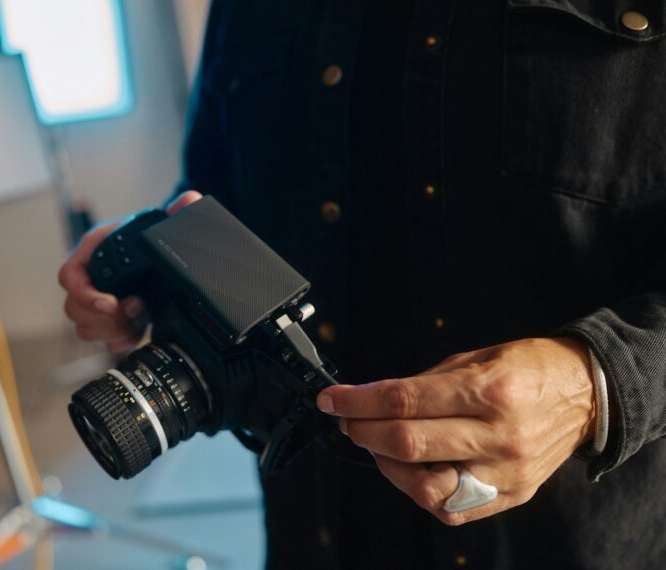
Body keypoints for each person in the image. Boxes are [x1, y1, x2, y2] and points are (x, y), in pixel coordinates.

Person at [59, 1, 666, 568]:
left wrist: (592, 386)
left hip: (561, 533)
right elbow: (212, 191)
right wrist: (147, 253)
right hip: (316, 524)